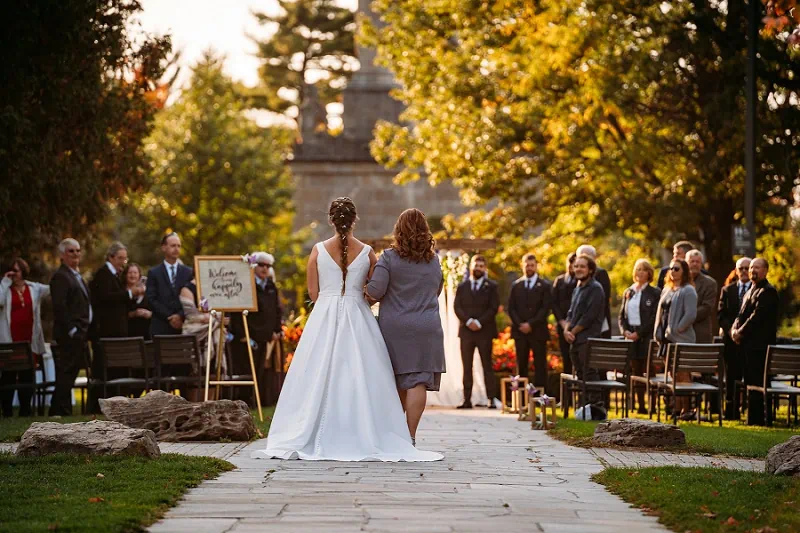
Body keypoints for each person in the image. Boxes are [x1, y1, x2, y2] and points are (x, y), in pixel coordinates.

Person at [252, 198, 441, 461]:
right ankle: (380, 431)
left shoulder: (317, 250)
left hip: (324, 316)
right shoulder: (368, 253)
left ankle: (319, 427)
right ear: (355, 220)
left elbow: (314, 293)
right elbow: (375, 290)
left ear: (331, 220)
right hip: (358, 316)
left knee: (318, 373)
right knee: (363, 374)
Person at [366, 208, 446, 445]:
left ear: (398, 230)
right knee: (417, 380)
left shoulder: (389, 258)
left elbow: (374, 292)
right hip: (427, 326)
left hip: (396, 328)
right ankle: (409, 436)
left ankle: (394, 434)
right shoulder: (434, 261)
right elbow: (437, 290)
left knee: (398, 380)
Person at [88, 242, 142, 412]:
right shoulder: (103, 275)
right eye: (120, 258)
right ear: (110, 257)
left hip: (116, 334)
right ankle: (96, 407)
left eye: (125, 259)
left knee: (114, 372)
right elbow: (104, 298)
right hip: (106, 333)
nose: (123, 262)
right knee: (103, 372)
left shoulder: (115, 276)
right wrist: (129, 294)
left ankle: (113, 405)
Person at [229, 252, 283, 405]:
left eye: (268, 266)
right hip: (247, 336)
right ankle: (243, 401)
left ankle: (257, 401)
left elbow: (276, 310)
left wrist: (277, 330)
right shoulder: (245, 285)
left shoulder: (271, 286)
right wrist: (241, 334)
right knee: (245, 370)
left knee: (261, 371)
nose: (264, 268)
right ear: (253, 266)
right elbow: (236, 312)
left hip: (265, 336)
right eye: (261, 264)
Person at [731, 258, 779, 426]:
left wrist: (740, 333)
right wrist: (734, 330)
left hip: (760, 348)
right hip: (747, 347)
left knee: (758, 384)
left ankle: (760, 420)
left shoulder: (768, 291)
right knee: (750, 383)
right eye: (751, 267)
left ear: (765, 270)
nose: (752, 270)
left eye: (757, 267)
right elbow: (741, 315)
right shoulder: (750, 290)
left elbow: (756, 318)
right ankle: (752, 419)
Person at [0, 258, 50, 417]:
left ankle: (25, 410)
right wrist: (4, 281)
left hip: (29, 339)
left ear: (23, 271)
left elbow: (53, 288)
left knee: (27, 375)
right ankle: (7, 411)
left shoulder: (33, 288)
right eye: (12, 270)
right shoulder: (5, 289)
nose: (14, 273)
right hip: (10, 340)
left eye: (17, 270)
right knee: (8, 376)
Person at [49, 238, 92, 417]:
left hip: (81, 332)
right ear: (62, 255)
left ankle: (61, 410)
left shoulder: (76, 275)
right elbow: (60, 307)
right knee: (66, 372)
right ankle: (58, 411)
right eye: (71, 251)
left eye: (78, 250)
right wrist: (72, 330)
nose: (76, 254)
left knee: (72, 372)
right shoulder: (60, 276)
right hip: (69, 335)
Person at [453, 255, 500, 409]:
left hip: (484, 331)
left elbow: (493, 307)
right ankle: (466, 400)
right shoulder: (463, 286)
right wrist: (468, 321)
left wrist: (479, 322)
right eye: (476, 265)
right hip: (466, 332)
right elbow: (457, 307)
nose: (478, 268)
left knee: (487, 365)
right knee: (467, 366)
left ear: (484, 268)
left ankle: (491, 399)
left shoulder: (492, 286)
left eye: (481, 265)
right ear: (471, 267)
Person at [654, 259, 697, 420]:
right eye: (670, 268)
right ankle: (677, 409)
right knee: (672, 374)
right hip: (666, 340)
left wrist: (678, 328)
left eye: (676, 268)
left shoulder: (688, 290)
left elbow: (691, 314)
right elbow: (660, 313)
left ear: (684, 271)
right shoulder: (667, 289)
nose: (672, 271)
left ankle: (687, 410)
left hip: (681, 339)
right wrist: (658, 332)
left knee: (683, 375)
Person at [618, 259, 660, 414]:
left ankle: (653, 406)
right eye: (637, 269)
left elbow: (654, 317)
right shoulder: (629, 291)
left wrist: (639, 333)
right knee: (635, 372)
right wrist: (625, 332)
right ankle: (640, 405)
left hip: (646, 337)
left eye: (643, 269)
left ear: (649, 273)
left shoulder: (655, 292)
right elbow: (622, 316)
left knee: (649, 371)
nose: (640, 272)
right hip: (631, 338)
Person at [563, 254, 606, 408]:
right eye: (576, 266)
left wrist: (572, 332)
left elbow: (589, 317)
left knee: (589, 373)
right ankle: (584, 407)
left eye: (582, 266)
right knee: (580, 374)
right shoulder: (577, 288)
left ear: (590, 269)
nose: (578, 269)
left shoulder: (596, 288)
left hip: (587, 339)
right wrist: (566, 330)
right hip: (575, 340)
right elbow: (570, 313)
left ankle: (595, 406)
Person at [507, 253, 552, 390]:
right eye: (527, 265)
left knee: (540, 364)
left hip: (537, 331)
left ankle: (539, 397)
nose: (530, 268)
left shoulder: (544, 286)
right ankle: (521, 398)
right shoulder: (516, 285)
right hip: (520, 332)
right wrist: (520, 324)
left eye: (532, 265)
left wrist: (530, 324)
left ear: (536, 266)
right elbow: (511, 308)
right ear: (522, 266)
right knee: (521, 365)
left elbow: (545, 309)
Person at [717, 257, 751, 419]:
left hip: (750, 341)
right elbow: (721, 315)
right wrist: (732, 331)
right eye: (741, 268)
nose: (744, 271)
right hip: (730, 341)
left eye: (747, 268)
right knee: (730, 377)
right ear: (736, 271)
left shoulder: (757, 290)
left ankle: (750, 410)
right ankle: (731, 411)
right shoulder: (727, 290)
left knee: (749, 376)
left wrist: (742, 333)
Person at [146, 232, 192, 337]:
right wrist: (170, 317)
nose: (176, 249)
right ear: (163, 248)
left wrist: (180, 315)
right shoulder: (154, 273)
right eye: (173, 246)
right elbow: (151, 299)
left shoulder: (188, 272)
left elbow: (193, 298)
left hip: (183, 327)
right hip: (160, 327)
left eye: (179, 246)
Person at [576, 245, 612, 338]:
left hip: (596, 325)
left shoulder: (600, 274)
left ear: (594, 257)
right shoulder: (577, 276)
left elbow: (602, 302)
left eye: (587, 255)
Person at [552, 253, 577, 378]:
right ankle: (567, 395)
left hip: (576, 327)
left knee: (576, 360)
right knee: (565, 359)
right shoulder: (559, 280)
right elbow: (554, 303)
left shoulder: (579, 281)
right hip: (562, 326)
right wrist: (562, 322)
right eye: (570, 262)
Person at [686, 249, 718, 344]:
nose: (695, 264)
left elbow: (707, 307)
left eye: (698, 262)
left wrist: (685, 318)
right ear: (686, 263)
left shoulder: (710, 283)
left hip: (699, 332)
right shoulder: (678, 282)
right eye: (692, 261)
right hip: (678, 333)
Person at [124, 263, 152, 339]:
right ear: (125, 275)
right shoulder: (122, 293)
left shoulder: (148, 292)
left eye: (135, 273)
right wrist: (134, 313)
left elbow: (155, 310)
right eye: (130, 273)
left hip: (146, 334)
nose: (132, 275)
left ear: (139, 275)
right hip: (128, 334)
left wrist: (149, 314)